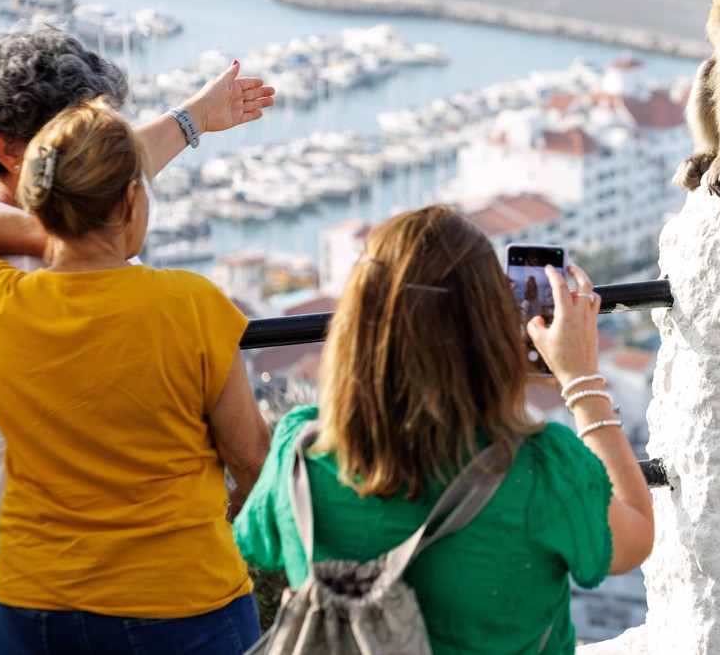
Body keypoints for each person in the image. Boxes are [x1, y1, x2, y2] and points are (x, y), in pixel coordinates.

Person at [233, 206, 655, 654]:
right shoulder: (541, 468)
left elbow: (258, 543)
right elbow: (636, 536)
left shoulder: (299, 452)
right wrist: (581, 381)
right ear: (491, 326)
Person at [0, 24, 274, 614]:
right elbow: (250, 454)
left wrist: (194, 118)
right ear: (11, 150)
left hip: (34, 586)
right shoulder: (175, 282)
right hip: (172, 587)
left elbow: (113, 167)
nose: (123, 173)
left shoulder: (99, 193)